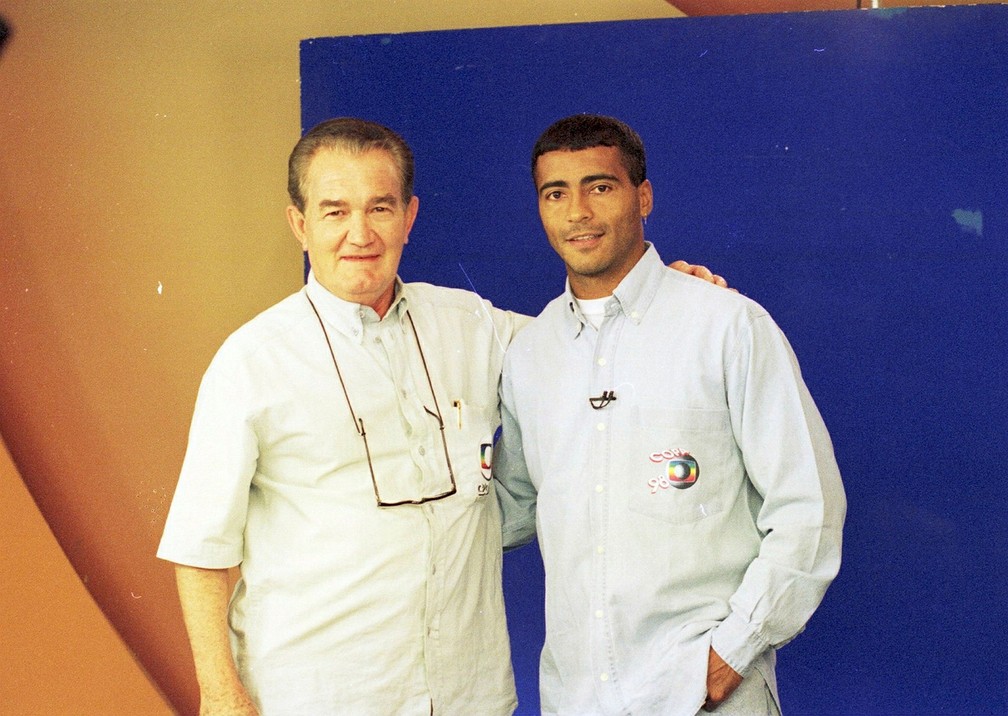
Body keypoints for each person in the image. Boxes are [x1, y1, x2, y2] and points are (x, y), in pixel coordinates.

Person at [158, 117, 723, 715]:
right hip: (317, 695)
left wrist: (667, 299)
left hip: (467, 694)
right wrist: (220, 694)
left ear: (409, 216)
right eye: (334, 212)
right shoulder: (252, 362)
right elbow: (202, 551)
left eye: (380, 208)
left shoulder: (469, 324)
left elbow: (588, 349)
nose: (360, 233)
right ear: (299, 223)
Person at [493, 114, 846, 716]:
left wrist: (735, 648)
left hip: (704, 694)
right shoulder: (530, 355)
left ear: (644, 197)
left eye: (599, 186)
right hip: (575, 697)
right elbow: (512, 508)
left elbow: (809, 505)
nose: (577, 211)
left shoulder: (727, 326)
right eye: (556, 193)